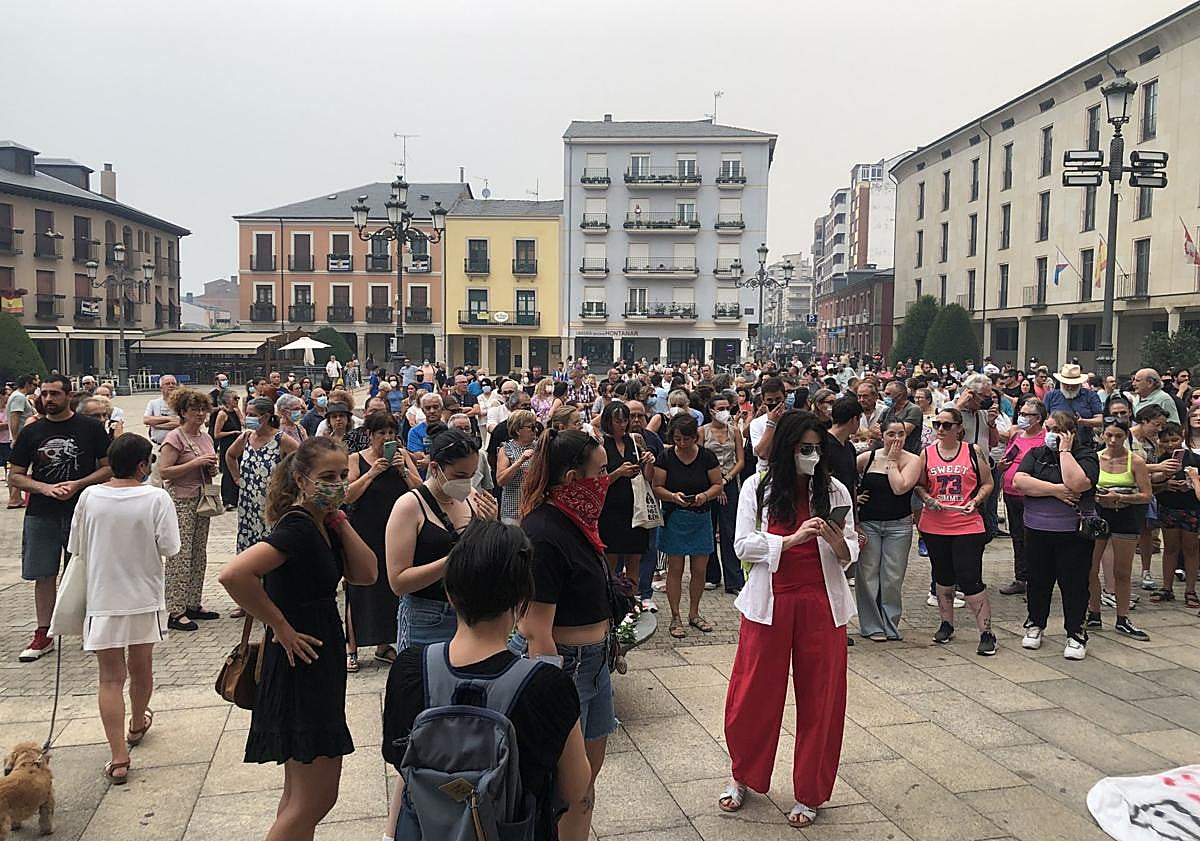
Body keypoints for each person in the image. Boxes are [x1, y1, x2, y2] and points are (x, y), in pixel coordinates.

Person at [382, 520, 590, 841]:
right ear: (522, 601)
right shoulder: (547, 685)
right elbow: (575, 787)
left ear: (450, 594)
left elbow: (402, 764)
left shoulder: (409, 669)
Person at [219, 436, 376, 841]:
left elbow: (367, 574)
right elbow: (235, 575)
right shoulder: (298, 527)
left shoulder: (323, 524)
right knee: (316, 799)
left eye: (343, 475)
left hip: (314, 660)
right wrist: (280, 626)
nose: (338, 483)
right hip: (301, 661)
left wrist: (339, 519)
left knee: (298, 797)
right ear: (302, 479)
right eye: (327, 476)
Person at [721, 410, 856, 828]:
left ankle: (810, 792)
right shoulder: (756, 488)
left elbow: (850, 550)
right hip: (770, 602)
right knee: (752, 693)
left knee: (822, 699)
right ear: (787, 450)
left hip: (821, 603)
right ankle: (743, 775)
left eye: (817, 450)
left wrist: (839, 544)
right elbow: (742, 545)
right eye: (804, 449)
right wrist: (792, 539)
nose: (812, 457)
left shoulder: (834, 491)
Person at [511, 429, 617, 841]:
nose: (606, 481)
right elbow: (535, 631)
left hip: (595, 663)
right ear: (573, 479)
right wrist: (553, 699)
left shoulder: (580, 520)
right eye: (601, 472)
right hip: (566, 669)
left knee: (585, 786)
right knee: (562, 786)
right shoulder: (543, 531)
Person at [68, 433, 180, 783]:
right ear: (142, 464)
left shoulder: (89, 496)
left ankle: (118, 757)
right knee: (141, 664)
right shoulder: (156, 498)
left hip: (103, 596)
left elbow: (77, 545)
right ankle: (136, 722)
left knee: (110, 677)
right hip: (144, 595)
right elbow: (170, 547)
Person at [11, 374, 111, 662]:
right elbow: (15, 475)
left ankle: (86, 627)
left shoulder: (90, 428)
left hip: (82, 509)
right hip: (41, 511)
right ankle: (44, 632)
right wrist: (44, 488)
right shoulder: (32, 431)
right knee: (43, 573)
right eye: (44, 394)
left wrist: (78, 484)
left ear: (68, 395)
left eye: (55, 394)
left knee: (82, 570)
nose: (48, 399)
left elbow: (108, 468)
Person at [385, 427, 498, 651]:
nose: (466, 483)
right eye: (459, 476)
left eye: (471, 475)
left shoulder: (471, 497)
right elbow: (398, 582)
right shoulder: (409, 506)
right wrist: (454, 558)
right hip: (426, 617)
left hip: (470, 613)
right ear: (435, 468)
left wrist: (490, 528)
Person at [904, 407, 997, 655]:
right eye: (937, 424)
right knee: (942, 577)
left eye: (946, 425)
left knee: (970, 579)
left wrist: (976, 501)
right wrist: (927, 498)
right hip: (935, 524)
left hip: (967, 524)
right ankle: (946, 623)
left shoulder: (972, 451)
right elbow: (918, 485)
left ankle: (986, 632)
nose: (941, 430)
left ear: (958, 429)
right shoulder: (926, 453)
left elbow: (988, 482)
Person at [1012, 412, 1100, 659]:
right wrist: (1056, 491)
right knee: (1038, 581)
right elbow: (1020, 481)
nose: (1049, 434)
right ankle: (1035, 624)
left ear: (1070, 433)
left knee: (1074, 585)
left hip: (1073, 534)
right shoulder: (1036, 454)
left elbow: (1079, 484)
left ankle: (1075, 634)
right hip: (1037, 530)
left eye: (1056, 429)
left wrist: (1065, 452)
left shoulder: (1086, 455)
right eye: (1047, 428)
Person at [343, 412, 413, 672]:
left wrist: (402, 470)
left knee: (390, 587)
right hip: (364, 530)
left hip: (397, 530)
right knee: (359, 588)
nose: (386, 438)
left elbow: (419, 488)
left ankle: (384, 644)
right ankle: (351, 648)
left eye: (391, 433)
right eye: (381, 433)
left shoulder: (401, 457)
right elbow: (348, 495)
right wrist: (372, 473)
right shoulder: (355, 459)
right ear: (370, 435)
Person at [652, 414, 724, 639]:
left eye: (686, 439)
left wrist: (705, 496)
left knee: (699, 569)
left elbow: (717, 484)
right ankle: (675, 615)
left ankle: (694, 612)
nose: (681, 444)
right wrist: (673, 497)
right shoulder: (665, 457)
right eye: (677, 439)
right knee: (675, 569)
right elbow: (657, 486)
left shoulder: (707, 457)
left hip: (700, 516)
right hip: (675, 516)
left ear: (695, 437)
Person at [157, 388, 221, 632]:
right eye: (195, 410)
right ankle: (175, 609)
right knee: (180, 556)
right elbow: (164, 472)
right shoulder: (174, 437)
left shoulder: (205, 438)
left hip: (202, 498)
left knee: (198, 553)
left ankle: (193, 602)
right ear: (183, 412)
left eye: (203, 409)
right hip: (181, 500)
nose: (201, 414)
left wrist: (211, 470)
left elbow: (208, 465)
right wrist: (195, 463)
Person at [855, 420, 918, 641]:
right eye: (891, 434)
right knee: (868, 574)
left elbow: (899, 487)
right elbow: (845, 480)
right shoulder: (867, 458)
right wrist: (855, 499)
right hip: (870, 523)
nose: (896, 439)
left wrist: (892, 462)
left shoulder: (912, 460)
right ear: (882, 436)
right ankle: (872, 625)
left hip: (898, 526)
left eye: (900, 434)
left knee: (892, 576)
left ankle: (890, 624)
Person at [1089, 418, 1153, 640]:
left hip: (1125, 514)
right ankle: (1093, 612)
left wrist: (1122, 496)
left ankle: (1122, 617)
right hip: (1099, 514)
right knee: (1090, 566)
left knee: (1122, 571)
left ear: (1126, 437)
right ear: (1102, 436)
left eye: (1118, 436)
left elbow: (1147, 495)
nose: (1113, 440)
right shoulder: (1095, 459)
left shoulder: (1135, 461)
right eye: (1109, 435)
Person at [227, 397, 299, 556]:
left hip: (271, 504)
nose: (247, 418)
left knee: (271, 545)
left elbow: (302, 460)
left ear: (265, 417)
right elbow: (230, 455)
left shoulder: (281, 439)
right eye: (246, 413)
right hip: (248, 505)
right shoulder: (246, 437)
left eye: (252, 414)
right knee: (249, 548)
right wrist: (237, 478)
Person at [997, 398, 1048, 596]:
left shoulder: (1045, 439)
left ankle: (1038, 581)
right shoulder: (1018, 435)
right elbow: (1008, 457)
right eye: (1021, 413)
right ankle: (1021, 578)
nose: (1022, 417)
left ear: (1038, 418)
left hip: (1031, 495)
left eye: (1026, 414)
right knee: (1017, 536)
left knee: (1033, 538)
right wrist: (1002, 466)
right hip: (1011, 493)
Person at [1146, 422, 1200, 607]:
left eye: (1174, 439)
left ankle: (1190, 590)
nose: (1171, 444)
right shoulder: (1160, 460)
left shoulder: (1194, 459)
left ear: (1182, 437)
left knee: (1191, 549)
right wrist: (1165, 482)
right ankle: (1166, 588)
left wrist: (1190, 482)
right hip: (1169, 507)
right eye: (1166, 440)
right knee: (1170, 548)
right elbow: (1151, 485)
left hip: (1191, 508)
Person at [597, 402, 653, 576]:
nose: (622, 425)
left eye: (625, 421)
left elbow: (648, 477)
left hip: (635, 508)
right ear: (608, 421)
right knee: (611, 562)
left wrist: (649, 462)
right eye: (618, 421)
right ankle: (612, 600)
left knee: (634, 561)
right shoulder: (601, 444)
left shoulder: (635, 440)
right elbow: (597, 482)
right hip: (610, 510)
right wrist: (619, 473)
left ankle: (632, 599)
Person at [701, 393, 746, 594]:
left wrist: (725, 481)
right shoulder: (702, 432)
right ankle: (712, 575)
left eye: (727, 407)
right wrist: (716, 484)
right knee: (708, 530)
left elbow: (740, 460)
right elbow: (700, 459)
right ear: (711, 411)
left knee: (730, 531)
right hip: (708, 485)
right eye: (720, 409)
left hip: (730, 483)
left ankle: (734, 580)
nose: (724, 412)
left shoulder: (735, 431)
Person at [496, 409, 539, 525]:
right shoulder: (506, 449)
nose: (536, 430)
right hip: (513, 509)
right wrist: (520, 461)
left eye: (536, 426)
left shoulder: (540, 447)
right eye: (531, 427)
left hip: (535, 507)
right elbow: (501, 480)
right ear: (518, 430)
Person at [143, 374, 179, 487]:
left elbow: (179, 423)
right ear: (161, 387)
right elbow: (147, 419)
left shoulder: (180, 404)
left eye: (173, 383)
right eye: (167, 384)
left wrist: (157, 425)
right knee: (155, 479)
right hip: (157, 446)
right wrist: (168, 418)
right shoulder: (153, 403)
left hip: (175, 447)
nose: (171, 386)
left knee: (172, 479)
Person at [212, 389, 243, 510]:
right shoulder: (222, 414)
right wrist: (233, 432)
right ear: (227, 400)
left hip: (237, 444)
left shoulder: (235, 411)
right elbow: (217, 434)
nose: (237, 401)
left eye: (238, 398)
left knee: (237, 469)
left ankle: (237, 498)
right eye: (234, 398)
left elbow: (242, 420)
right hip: (227, 444)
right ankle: (227, 500)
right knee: (228, 472)